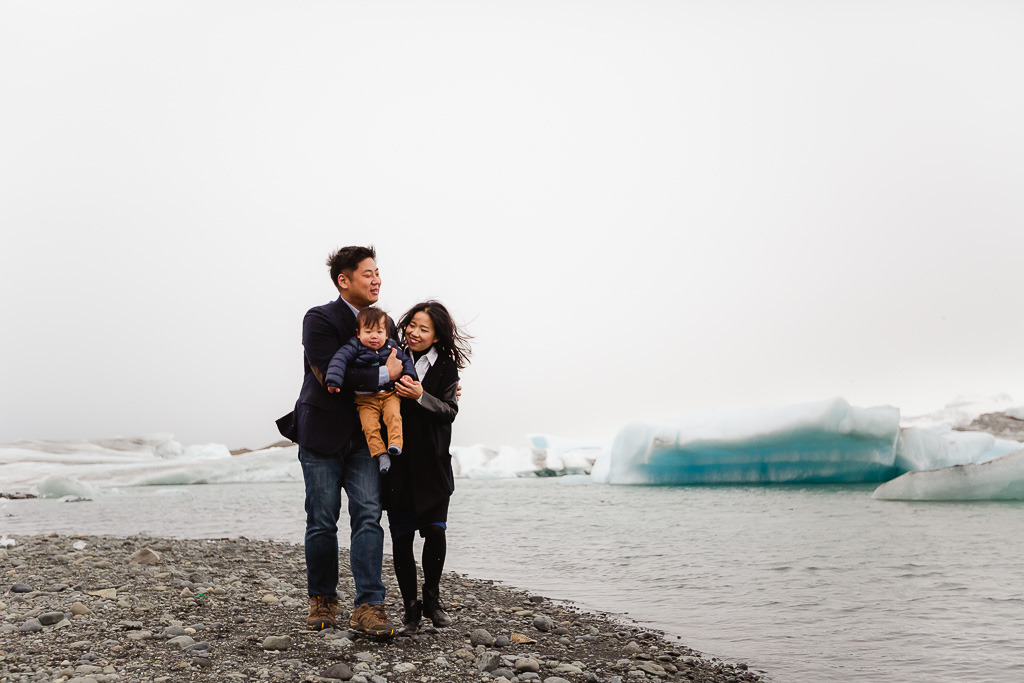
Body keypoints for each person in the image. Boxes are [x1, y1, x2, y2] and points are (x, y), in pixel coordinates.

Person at [275, 245, 403, 637]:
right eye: (368, 273)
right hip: (322, 434)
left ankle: (369, 605)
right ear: (343, 280)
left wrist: (438, 389)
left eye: (378, 272)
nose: (377, 279)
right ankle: (323, 600)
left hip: (368, 437)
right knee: (322, 520)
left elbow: (404, 367)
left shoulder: (385, 322)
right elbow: (328, 375)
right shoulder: (320, 319)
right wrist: (382, 376)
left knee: (368, 516)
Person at [383, 300, 472, 634]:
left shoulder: (447, 367)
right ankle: (410, 611)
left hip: (434, 463)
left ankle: (432, 599)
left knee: (435, 530)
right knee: (402, 537)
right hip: (398, 464)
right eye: (413, 325)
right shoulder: (392, 356)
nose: (416, 332)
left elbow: (449, 410)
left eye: (425, 328)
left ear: (436, 336)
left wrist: (420, 394)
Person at [325, 307, 417, 474]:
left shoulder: (392, 347)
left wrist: (409, 376)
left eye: (379, 331)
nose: (374, 336)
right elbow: (339, 360)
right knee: (369, 426)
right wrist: (334, 380)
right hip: (365, 399)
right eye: (368, 331)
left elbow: (406, 361)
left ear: (387, 334)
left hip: (389, 394)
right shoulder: (354, 346)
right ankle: (380, 453)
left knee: (394, 416)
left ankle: (395, 444)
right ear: (358, 333)